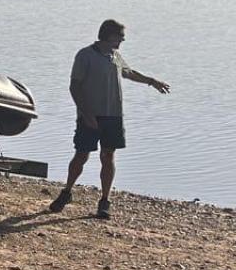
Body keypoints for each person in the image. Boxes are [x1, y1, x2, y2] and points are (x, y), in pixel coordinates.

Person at [50, 19, 171, 219]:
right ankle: (66, 192)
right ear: (110, 35)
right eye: (120, 36)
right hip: (90, 116)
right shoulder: (85, 55)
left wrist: (152, 81)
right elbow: (75, 87)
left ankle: (104, 201)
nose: (123, 39)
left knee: (108, 157)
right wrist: (87, 115)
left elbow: (128, 72)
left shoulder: (115, 56)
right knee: (81, 156)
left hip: (113, 115)